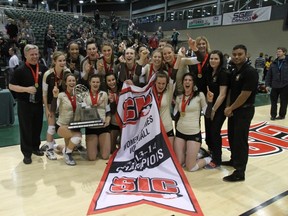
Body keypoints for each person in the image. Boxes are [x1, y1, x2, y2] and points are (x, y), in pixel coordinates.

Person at [223, 44, 258, 182]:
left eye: (240, 54)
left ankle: (240, 172)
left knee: (240, 140)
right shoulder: (234, 71)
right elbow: (231, 91)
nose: (237, 57)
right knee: (232, 137)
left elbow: (245, 94)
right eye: (235, 54)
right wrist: (229, 107)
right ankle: (234, 160)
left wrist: (231, 108)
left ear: (246, 55)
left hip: (244, 110)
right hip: (234, 110)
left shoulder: (250, 72)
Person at [9, 44, 47, 164]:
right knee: (26, 129)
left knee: (37, 127)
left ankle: (35, 148)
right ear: (25, 55)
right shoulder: (19, 70)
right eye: (32, 54)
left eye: (36, 54)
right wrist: (26, 89)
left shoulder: (42, 68)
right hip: (25, 104)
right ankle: (27, 153)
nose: (35, 56)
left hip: (38, 103)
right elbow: (11, 86)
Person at [173, 73, 214, 172]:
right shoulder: (179, 97)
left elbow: (207, 115)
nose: (187, 82)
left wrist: (210, 101)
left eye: (190, 80)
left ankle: (207, 158)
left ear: (193, 83)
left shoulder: (199, 95)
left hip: (193, 133)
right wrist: (173, 103)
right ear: (183, 83)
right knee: (179, 163)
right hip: (180, 133)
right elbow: (174, 116)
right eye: (185, 80)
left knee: (190, 167)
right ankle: (193, 153)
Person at [42, 51, 71, 160]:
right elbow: (44, 94)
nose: (62, 63)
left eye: (64, 60)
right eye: (60, 60)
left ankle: (67, 147)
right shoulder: (47, 74)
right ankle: (49, 150)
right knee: (51, 127)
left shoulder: (67, 72)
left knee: (66, 126)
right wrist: (47, 109)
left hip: (63, 103)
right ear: (54, 61)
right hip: (51, 103)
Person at [204, 50, 229, 169]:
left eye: (216, 59)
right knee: (209, 131)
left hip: (218, 107)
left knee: (214, 132)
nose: (213, 61)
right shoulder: (210, 72)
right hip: (210, 105)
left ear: (220, 60)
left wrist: (213, 109)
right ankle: (213, 152)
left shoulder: (223, 73)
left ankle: (217, 160)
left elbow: (222, 94)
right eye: (211, 59)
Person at [52, 73, 82, 166]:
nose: (72, 82)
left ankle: (56, 146)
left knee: (70, 146)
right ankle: (67, 154)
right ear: (65, 82)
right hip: (62, 125)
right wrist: (55, 96)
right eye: (69, 81)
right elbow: (53, 109)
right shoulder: (61, 95)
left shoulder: (79, 95)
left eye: (73, 80)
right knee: (78, 137)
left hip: (74, 125)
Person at [85, 74, 111, 160]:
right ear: (90, 83)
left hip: (103, 126)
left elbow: (108, 110)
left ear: (100, 83)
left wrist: (108, 118)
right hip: (91, 127)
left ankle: (100, 145)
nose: (95, 84)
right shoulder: (84, 95)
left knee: (105, 156)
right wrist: (96, 104)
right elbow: (82, 111)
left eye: (97, 82)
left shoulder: (104, 94)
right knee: (92, 158)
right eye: (93, 82)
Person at [265, 47, 288, 120]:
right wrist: (267, 85)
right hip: (274, 85)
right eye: (277, 51)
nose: (277, 53)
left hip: (285, 85)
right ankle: (273, 115)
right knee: (273, 101)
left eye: (279, 51)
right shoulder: (274, 63)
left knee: (284, 101)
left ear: (284, 52)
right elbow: (269, 75)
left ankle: (282, 115)